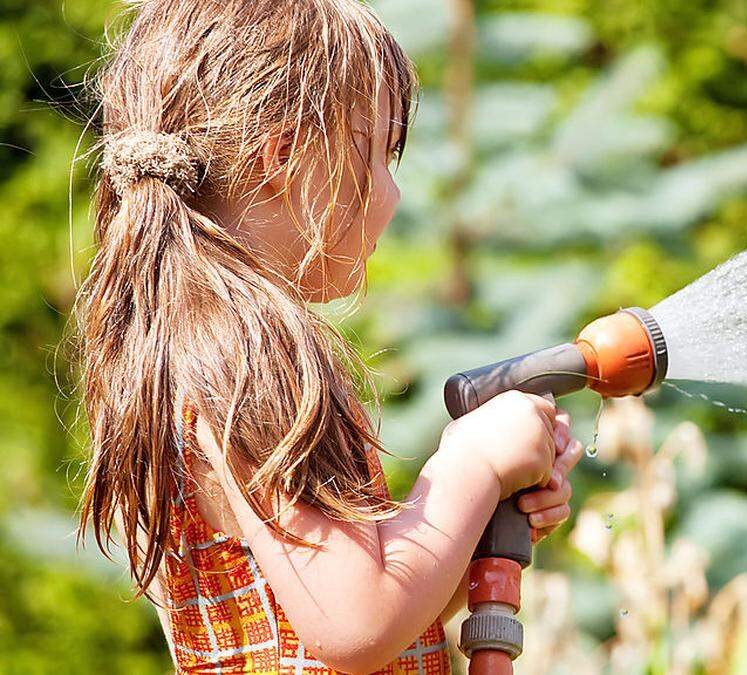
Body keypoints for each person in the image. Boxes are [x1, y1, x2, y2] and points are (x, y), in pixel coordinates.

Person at [73, 1, 582, 672]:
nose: (393, 195)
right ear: (283, 156)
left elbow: (354, 609)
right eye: (379, 156)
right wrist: (474, 463)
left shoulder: (195, 344)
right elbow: (356, 622)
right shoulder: (256, 355)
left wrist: (474, 521)